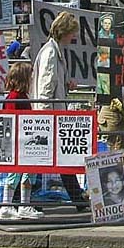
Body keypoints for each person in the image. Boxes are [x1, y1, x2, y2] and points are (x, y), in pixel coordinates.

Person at [30, 12, 89, 212]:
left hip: (52, 116)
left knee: (63, 158)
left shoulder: (55, 51)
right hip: (48, 118)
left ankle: (78, 198)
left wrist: (65, 83)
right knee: (40, 161)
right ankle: (25, 199)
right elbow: (45, 89)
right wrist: (45, 119)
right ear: (65, 32)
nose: (75, 37)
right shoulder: (51, 53)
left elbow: (52, 82)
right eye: (73, 33)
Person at [0, 63, 45, 220]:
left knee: (27, 173)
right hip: (19, 143)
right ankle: (8, 205)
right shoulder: (15, 98)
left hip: (22, 142)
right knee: (16, 173)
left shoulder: (19, 97)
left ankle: (23, 204)